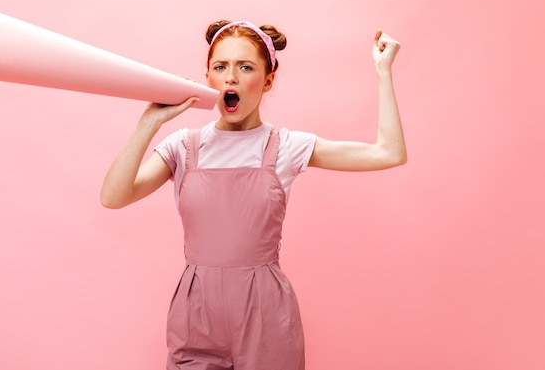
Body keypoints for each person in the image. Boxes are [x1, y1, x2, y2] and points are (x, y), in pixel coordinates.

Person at [100, 20, 406, 370]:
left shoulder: (286, 146)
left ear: (267, 80)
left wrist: (383, 71)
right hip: (196, 315)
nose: (230, 77)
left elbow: (389, 153)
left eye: (245, 67)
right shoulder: (183, 146)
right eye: (220, 67)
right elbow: (113, 196)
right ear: (208, 78)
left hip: (266, 316)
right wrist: (149, 123)